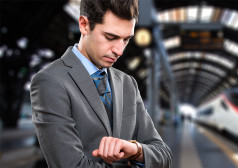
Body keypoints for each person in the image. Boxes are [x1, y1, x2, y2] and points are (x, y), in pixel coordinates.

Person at [30, 0, 172, 167]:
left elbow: (164, 155)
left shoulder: (128, 84)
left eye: (126, 39)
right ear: (84, 25)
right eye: (110, 37)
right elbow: (71, 165)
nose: (119, 50)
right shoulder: (51, 81)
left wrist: (136, 150)